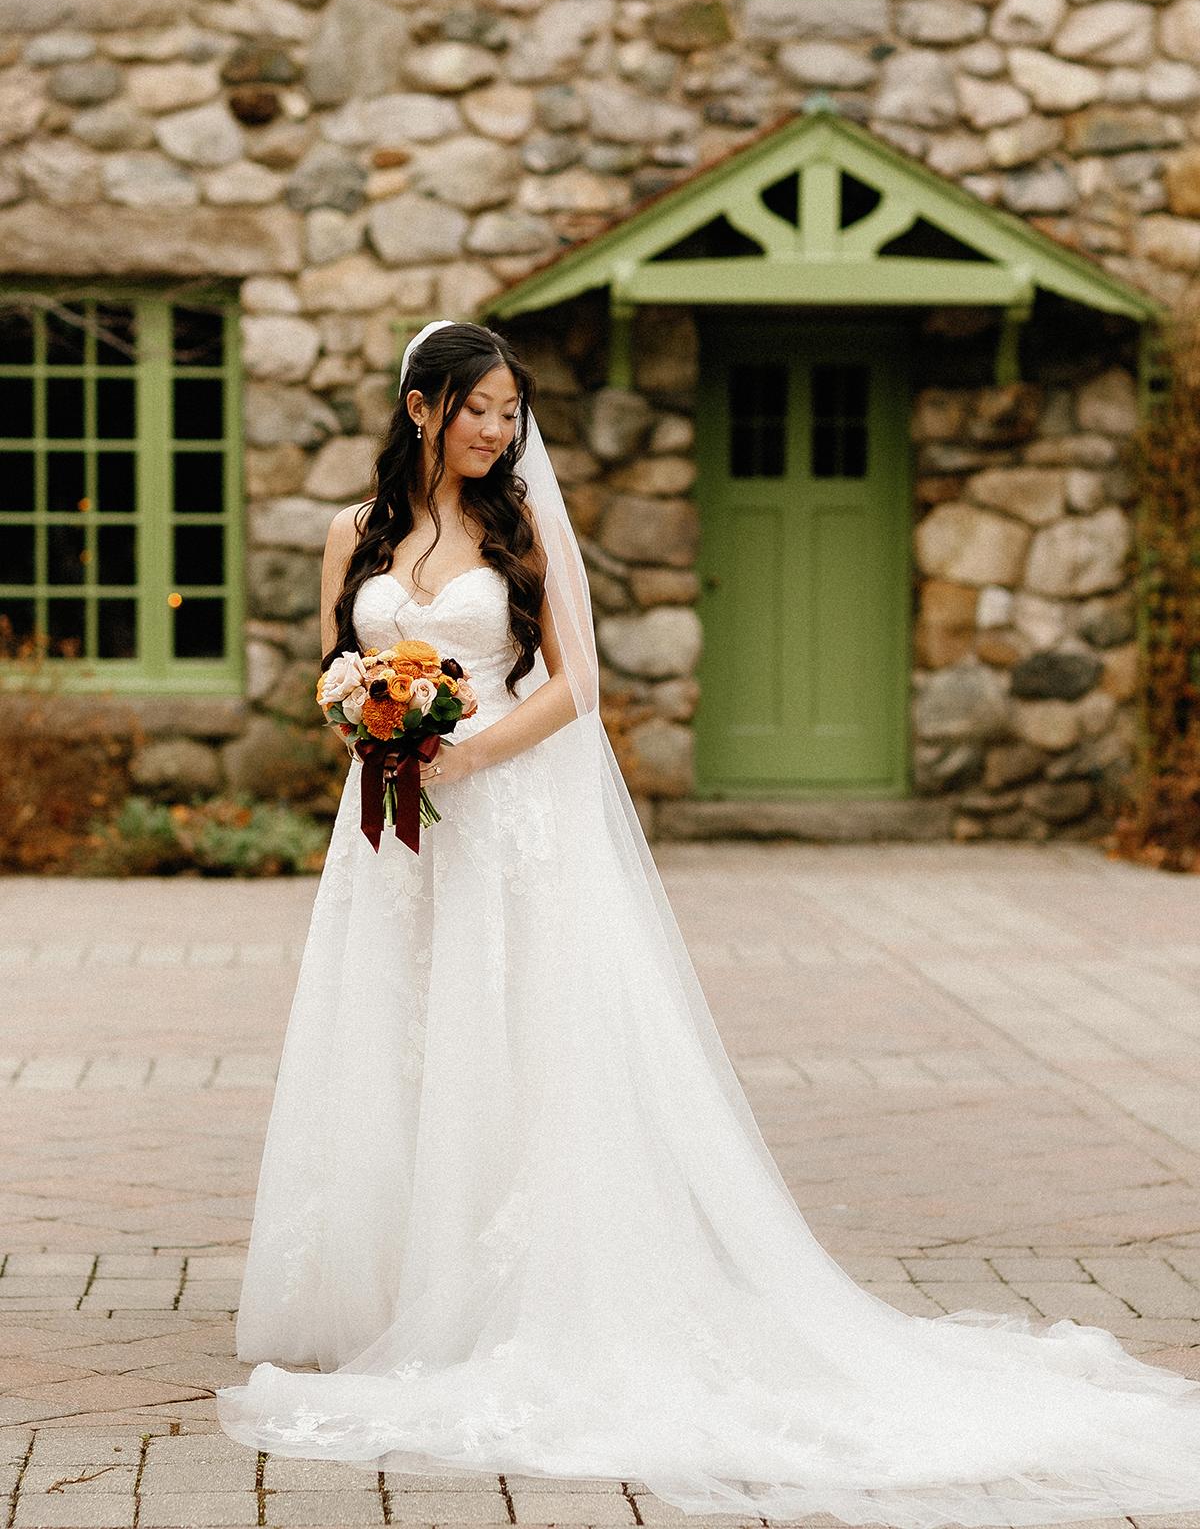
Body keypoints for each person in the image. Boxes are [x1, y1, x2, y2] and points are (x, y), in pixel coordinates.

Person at [216, 318, 1200, 1526]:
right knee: (394, 1039)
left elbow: (579, 688)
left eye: (511, 413)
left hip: (500, 822)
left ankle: (503, 1296)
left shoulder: (519, 535)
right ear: (419, 406)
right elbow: (335, 671)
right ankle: (384, 1291)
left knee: (504, 1043)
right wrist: (373, 723)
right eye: (478, 409)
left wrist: (462, 751)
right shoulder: (347, 538)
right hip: (387, 841)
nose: (498, 430)